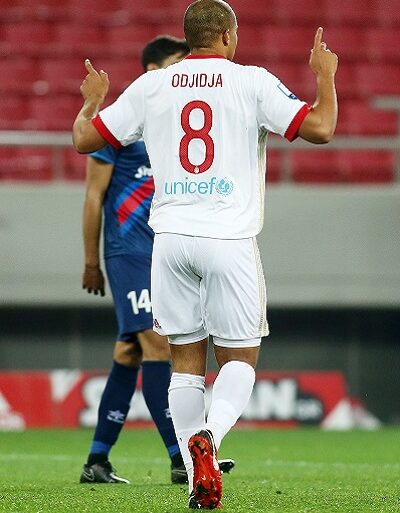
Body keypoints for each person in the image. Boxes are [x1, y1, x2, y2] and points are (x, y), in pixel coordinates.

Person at [72, 0, 338, 508]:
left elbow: (85, 138)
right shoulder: (251, 82)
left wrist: (92, 102)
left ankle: (200, 481)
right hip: (228, 239)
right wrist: (324, 76)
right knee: (240, 357)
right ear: (227, 36)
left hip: (169, 242)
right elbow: (322, 128)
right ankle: (209, 439)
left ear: (190, 37)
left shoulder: (151, 86)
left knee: (184, 362)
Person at [79, 35, 234, 486]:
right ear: (152, 71)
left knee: (128, 352)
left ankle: (97, 460)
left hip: (163, 252)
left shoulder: (172, 123)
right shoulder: (123, 123)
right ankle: (182, 458)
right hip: (129, 252)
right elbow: (93, 196)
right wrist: (92, 261)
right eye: (176, 64)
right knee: (158, 346)